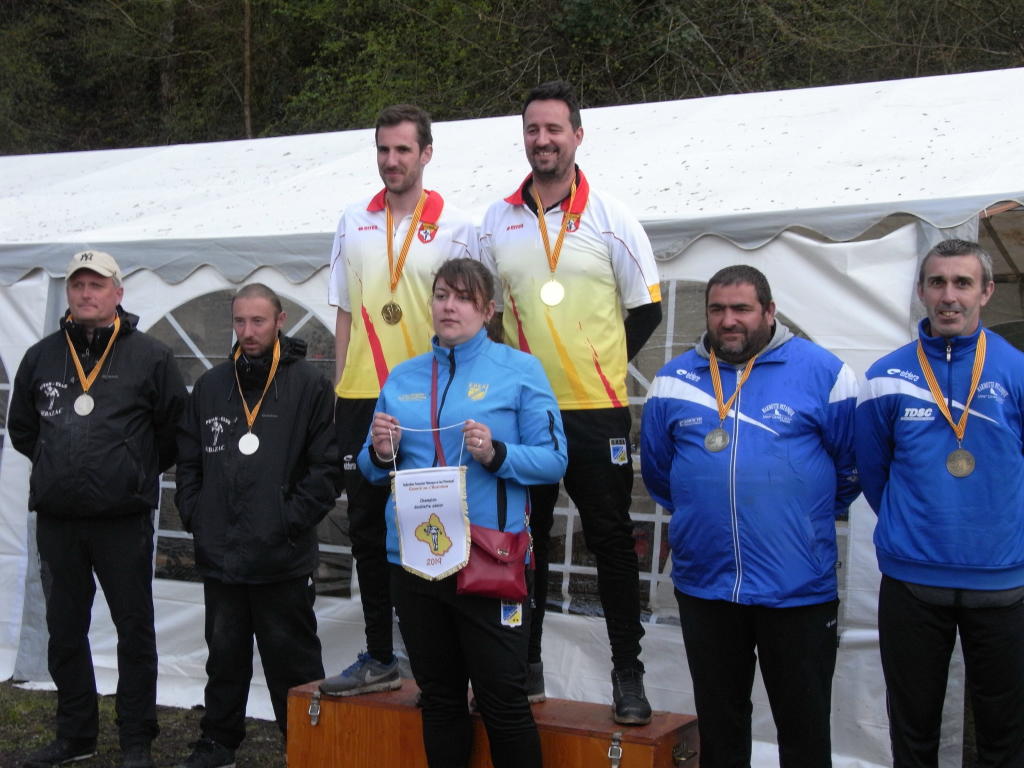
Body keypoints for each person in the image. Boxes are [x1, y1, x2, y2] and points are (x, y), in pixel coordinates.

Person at [479, 79, 662, 723]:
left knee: (609, 540)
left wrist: (602, 367)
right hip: (526, 414)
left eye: (554, 129)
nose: (543, 140)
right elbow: (485, 312)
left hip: (595, 410)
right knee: (522, 540)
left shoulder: (613, 216)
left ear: (577, 136)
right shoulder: (496, 220)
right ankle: (523, 665)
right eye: (533, 129)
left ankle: (627, 674)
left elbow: (646, 308)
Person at [640, 265, 859, 767]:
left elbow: (852, 469)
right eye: (717, 309)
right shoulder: (672, 381)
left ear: (770, 311)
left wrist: (799, 521)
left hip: (797, 587)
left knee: (804, 728)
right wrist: (707, 510)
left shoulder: (824, 372)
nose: (728, 320)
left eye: (741, 308)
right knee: (720, 728)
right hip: (707, 585)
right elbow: (660, 475)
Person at [357, 258, 567, 768]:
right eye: (442, 295)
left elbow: (554, 460)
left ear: (488, 310)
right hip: (415, 561)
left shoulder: (520, 370)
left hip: (489, 561)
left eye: (465, 298)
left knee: (504, 703)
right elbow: (369, 466)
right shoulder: (402, 376)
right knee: (440, 700)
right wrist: (382, 452)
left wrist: (497, 454)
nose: (450, 307)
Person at [322, 104, 479, 696]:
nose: (392, 161)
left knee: (432, 522)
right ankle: (381, 654)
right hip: (363, 396)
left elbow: (469, 318)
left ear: (426, 154)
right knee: (366, 528)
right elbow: (344, 311)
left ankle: (439, 664)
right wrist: (341, 389)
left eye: (403, 150)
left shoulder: (458, 226)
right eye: (383, 150)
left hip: (426, 398)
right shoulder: (351, 219)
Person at [9, 250, 187, 768]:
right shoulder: (41, 356)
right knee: (65, 632)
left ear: (118, 293)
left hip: (123, 519)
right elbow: (23, 428)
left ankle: (136, 739)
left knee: (135, 631)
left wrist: (128, 468)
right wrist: (57, 464)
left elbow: (172, 432)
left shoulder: (151, 357)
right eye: (78, 285)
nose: (86, 294)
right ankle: (75, 736)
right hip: (59, 518)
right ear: (69, 292)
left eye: (97, 285)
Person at [856, 238, 1024, 767]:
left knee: (1005, 737)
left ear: (986, 291)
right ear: (921, 291)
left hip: (1003, 582)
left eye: (962, 283)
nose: (949, 296)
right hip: (913, 581)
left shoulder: (1016, 370)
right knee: (913, 734)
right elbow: (874, 473)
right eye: (938, 282)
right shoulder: (885, 376)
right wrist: (917, 523)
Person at [173, 284, 341, 768]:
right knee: (223, 656)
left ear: (280, 321)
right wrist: (197, 515)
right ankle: (219, 741)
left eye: (258, 321)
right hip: (222, 554)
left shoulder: (308, 386)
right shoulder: (211, 386)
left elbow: (326, 471)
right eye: (240, 321)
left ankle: (305, 746)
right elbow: (188, 462)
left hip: (281, 557)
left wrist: (287, 521)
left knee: (293, 662)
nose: (248, 331)